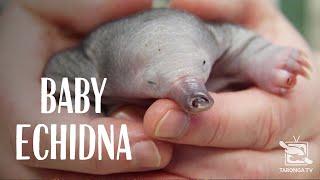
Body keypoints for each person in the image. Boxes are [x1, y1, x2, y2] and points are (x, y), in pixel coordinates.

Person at [0, 0, 318, 178]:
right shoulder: (88, 65)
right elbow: (58, 82)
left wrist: (271, 61)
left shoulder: (215, 36)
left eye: (201, 65)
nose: (192, 91)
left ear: (209, 50)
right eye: (154, 81)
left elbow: (243, 43)